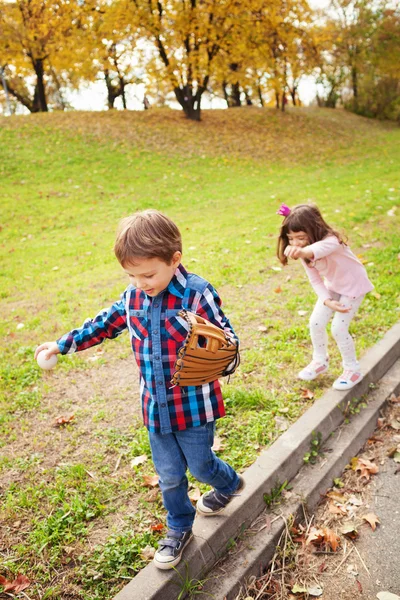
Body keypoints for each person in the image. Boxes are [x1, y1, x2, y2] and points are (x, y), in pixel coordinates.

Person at [34, 209, 243, 570]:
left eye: (148, 274)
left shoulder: (196, 294)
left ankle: (229, 483)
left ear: (174, 259)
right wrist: (61, 344)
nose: (140, 282)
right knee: (170, 476)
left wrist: (223, 359)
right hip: (155, 407)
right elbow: (102, 324)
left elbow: (229, 341)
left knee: (201, 464)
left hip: (194, 406)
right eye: (131, 275)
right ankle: (179, 526)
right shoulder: (132, 298)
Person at [276, 203, 374, 391]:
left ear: (314, 230)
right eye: (291, 238)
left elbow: (318, 250)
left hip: (353, 286)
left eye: (300, 238)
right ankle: (320, 360)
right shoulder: (304, 251)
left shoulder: (332, 240)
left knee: (338, 328)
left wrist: (302, 251)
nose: (295, 243)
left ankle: (352, 369)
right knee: (315, 322)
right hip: (333, 285)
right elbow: (315, 280)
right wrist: (327, 300)